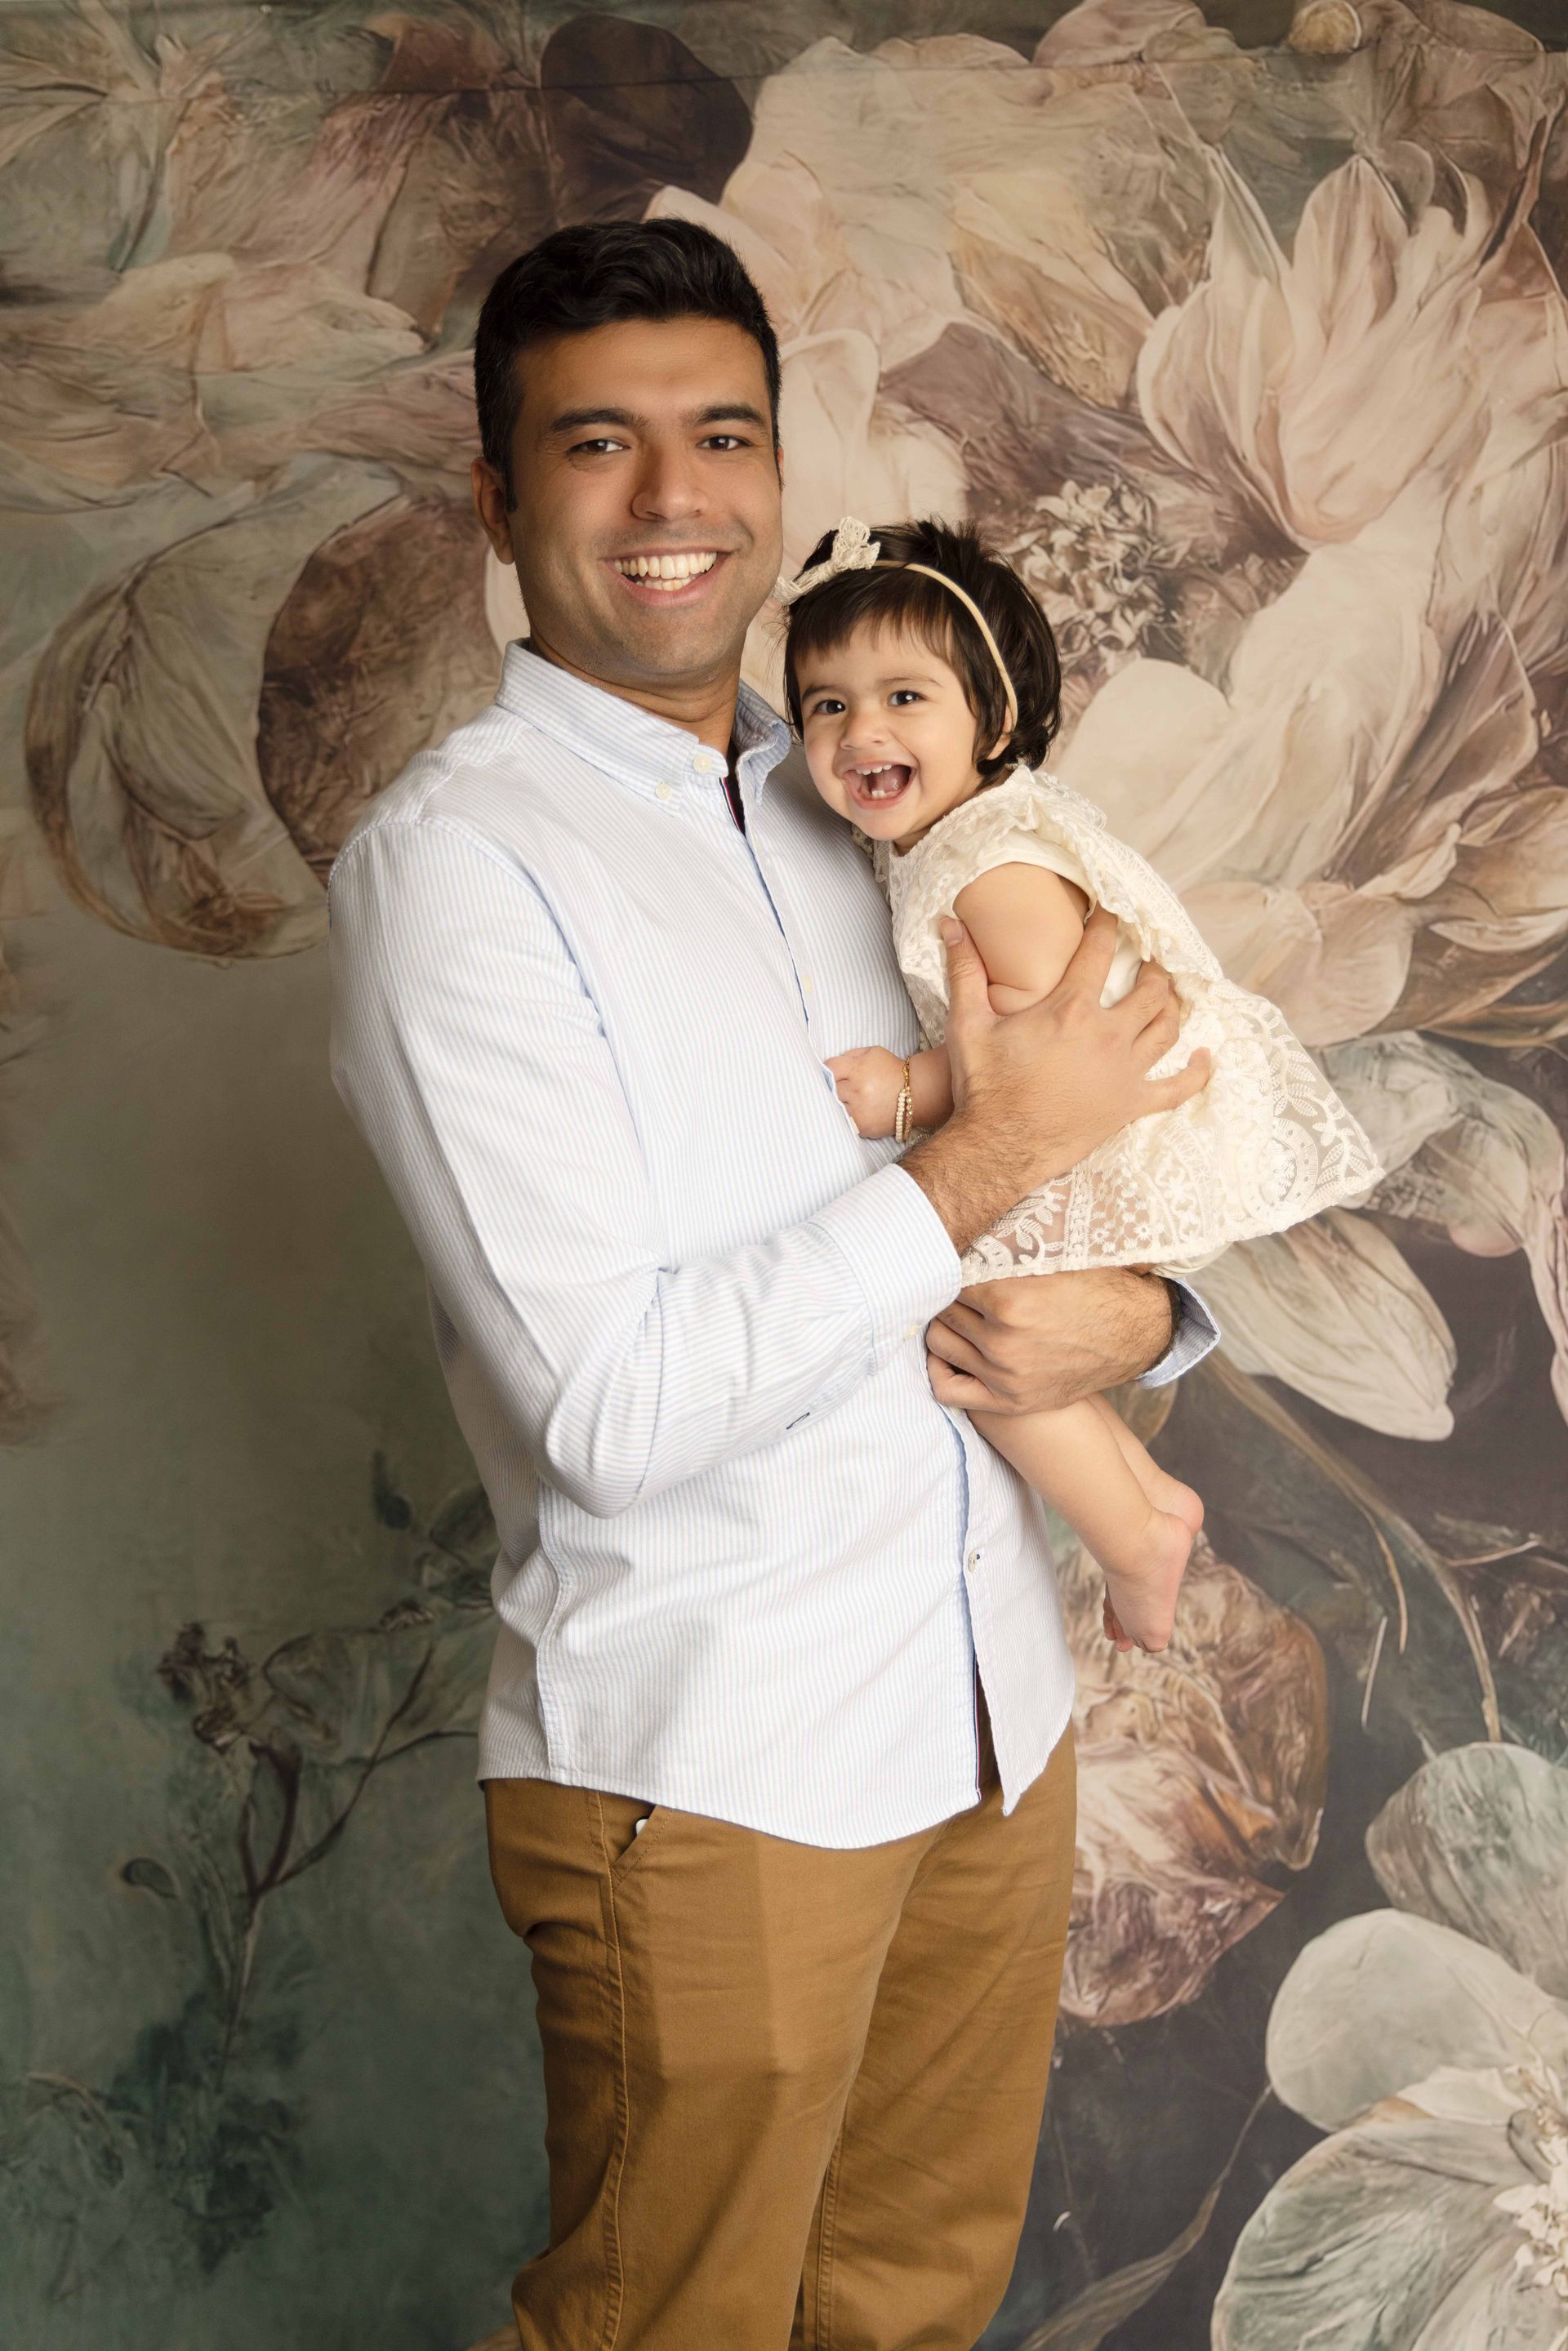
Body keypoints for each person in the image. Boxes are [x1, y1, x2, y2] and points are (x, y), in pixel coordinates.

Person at [327, 219, 1218, 2351]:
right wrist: (983, 1162)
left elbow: (1108, 1150)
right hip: (710, 1769)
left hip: (991, 1725)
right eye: (598, 445)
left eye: (720, 436)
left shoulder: (877, 792)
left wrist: (1158, 1319)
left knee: (902, 2321)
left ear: (779, 470)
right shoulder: (456, 867)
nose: (671, 501)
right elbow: (610, 1412)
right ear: (497, 497)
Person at [780, 516, 1383, 1658]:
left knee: (971, 1325)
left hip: (1106, 1136)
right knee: (992, 1328)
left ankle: (1128, 1535)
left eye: (906, 697)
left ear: (994, 721)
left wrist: (908, 1092)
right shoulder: (948, 840)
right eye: (826, 703)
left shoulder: (988, 870)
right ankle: (1149, 1500)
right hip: (1084, 1126)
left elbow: (1048, 1053)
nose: (861, 729)